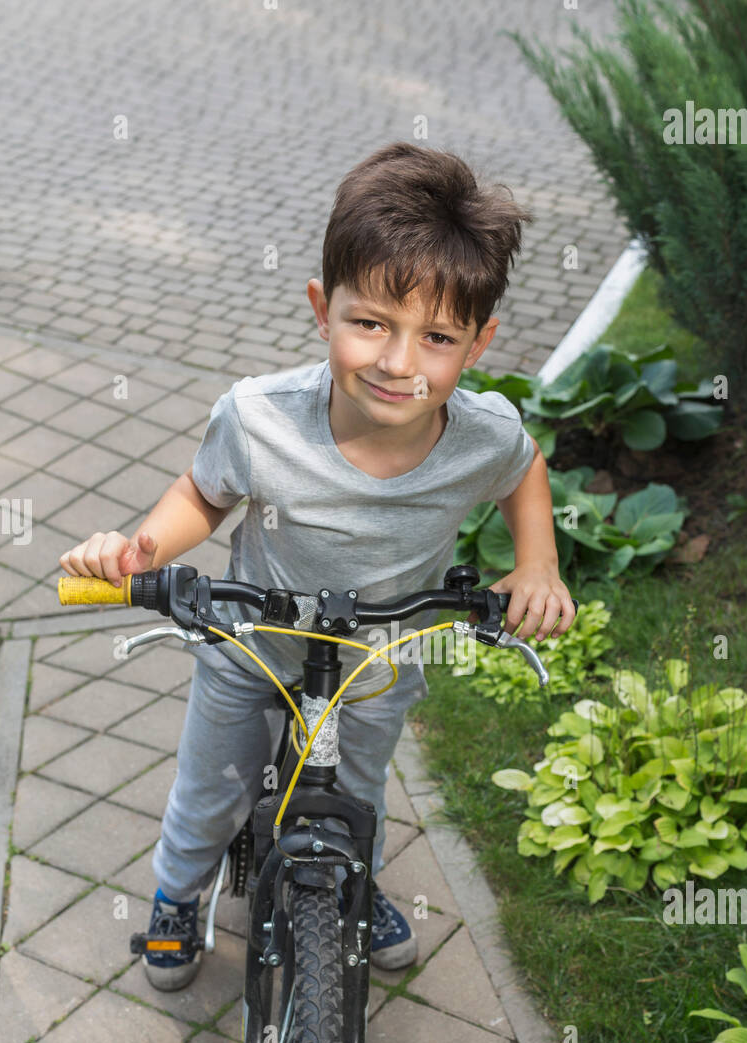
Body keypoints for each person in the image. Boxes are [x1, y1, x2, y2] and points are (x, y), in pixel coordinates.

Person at [58, 140, 576, 991]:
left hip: (374, 658)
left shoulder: (482, 434)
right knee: (213, 794)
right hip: (253, 641)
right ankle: (177, 895)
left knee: (356, 793)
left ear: (477, 344)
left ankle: (349, 882)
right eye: (371, 322)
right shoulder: (260, 420)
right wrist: (142, 549)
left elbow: (523, 471)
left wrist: (539, 563)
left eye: (436, 337)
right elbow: (204, 491)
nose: (399, 362)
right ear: (320, 308)